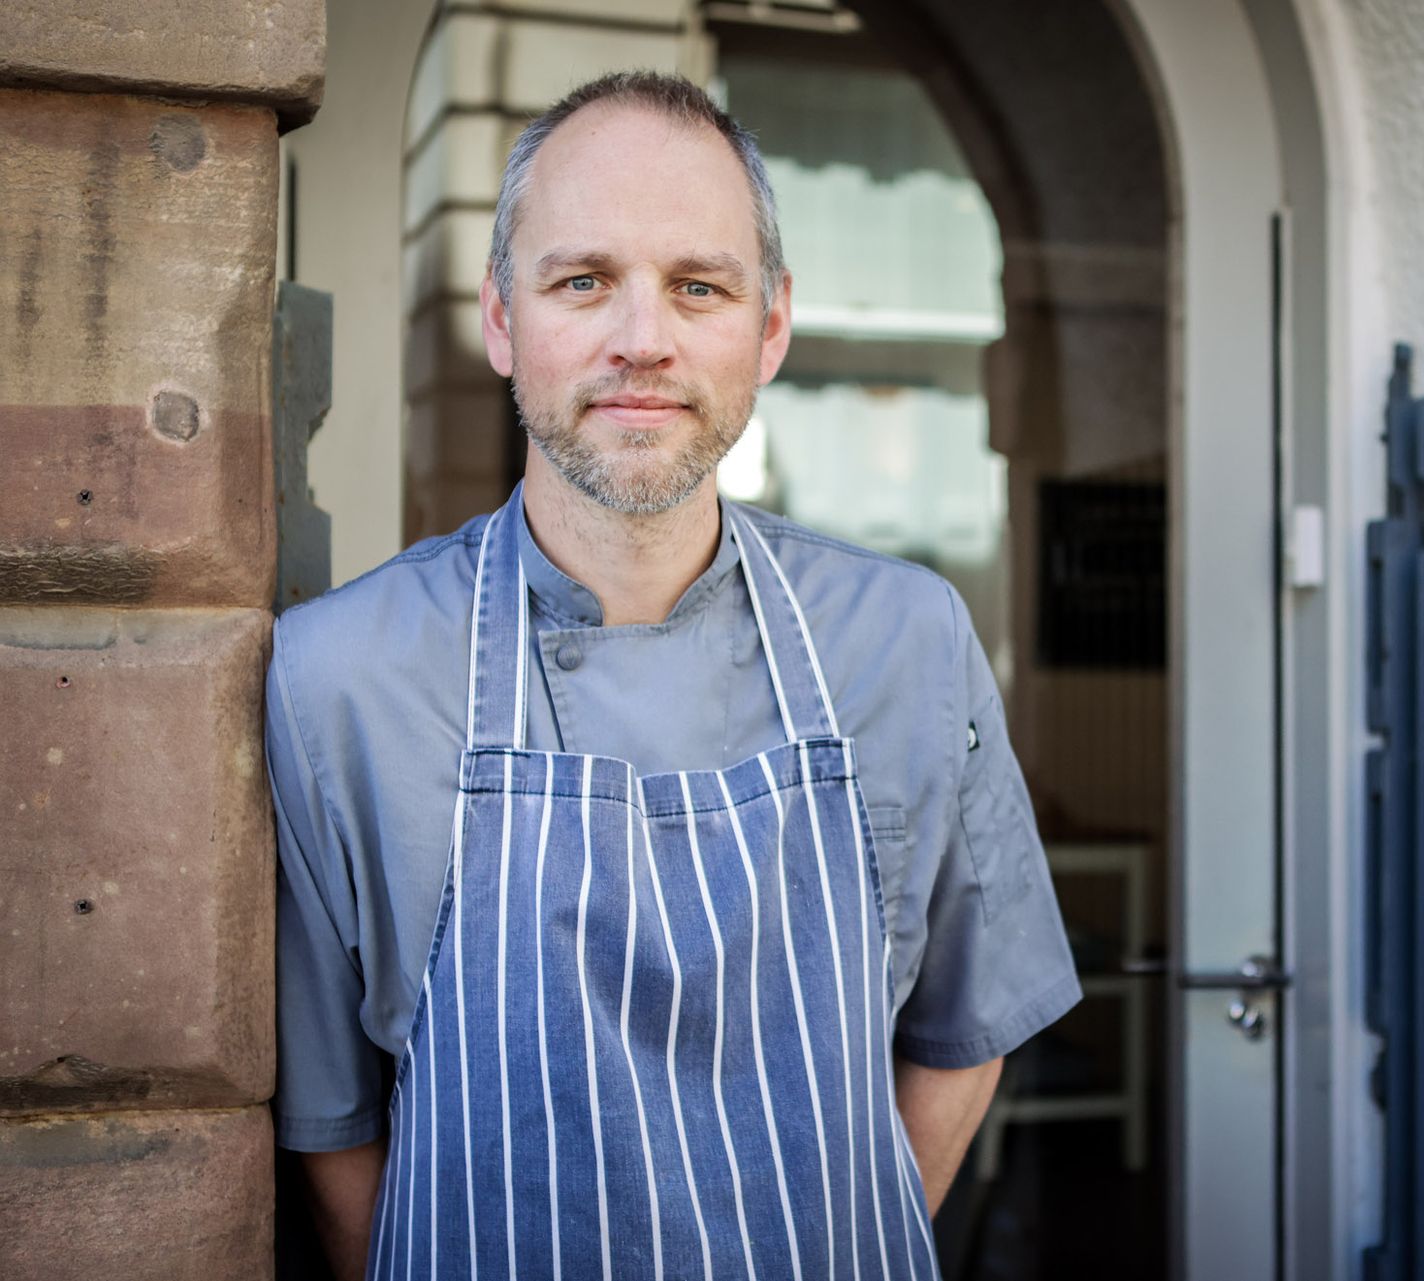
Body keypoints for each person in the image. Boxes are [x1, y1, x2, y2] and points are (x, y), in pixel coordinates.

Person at [267, 70, 1081, 1280]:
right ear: (501, 319)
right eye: (582, 281)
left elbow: (965, 1032)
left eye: (697, 287)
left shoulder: (906, 639)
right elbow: (336, 1127)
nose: (640, 339)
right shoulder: (336, 675)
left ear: (770, 325)